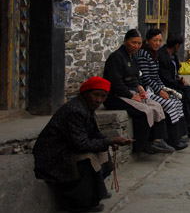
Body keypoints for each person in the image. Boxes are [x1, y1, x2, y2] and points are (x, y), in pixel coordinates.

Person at [33, 76, 132, 213]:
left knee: (103, 153)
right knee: (87, 160)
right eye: (95, 95)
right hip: (53, 155)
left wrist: (108, 141)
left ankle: (95, 191)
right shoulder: (75, 110)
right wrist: (109, 141)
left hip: (67, 147)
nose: (99, 100)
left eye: (103, 96)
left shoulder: (86, 108)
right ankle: (80, 204)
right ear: (86, 93)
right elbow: (81, 144)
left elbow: (93, 133)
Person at [103, 29, 174, 154]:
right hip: (116, 96)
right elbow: (116, 83)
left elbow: (137, 76)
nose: (136, 46)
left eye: (139, 43)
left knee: (156, 106)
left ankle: (158, 139)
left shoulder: (133, 57)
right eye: (133, 43)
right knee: (145, 111)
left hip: (133, 92)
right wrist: (131, 95)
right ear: (125, 41)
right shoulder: (116, 58)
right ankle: (142, 145)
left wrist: (140, 87)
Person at [137, 28, 188, 150]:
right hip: (146, 91)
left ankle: (179, 135)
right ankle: (171, 139)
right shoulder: (144, 54)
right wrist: (159, 91)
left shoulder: (154, 55)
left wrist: (163, 89)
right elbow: (145, 78)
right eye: (155, 40)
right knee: (169, 104)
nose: (158, 43)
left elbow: (156, 76)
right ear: (147, 41)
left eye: (160, 40)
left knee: (176, 101)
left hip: (155, 88)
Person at [157, 33, 190, 138]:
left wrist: (180, 79)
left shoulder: (173, 55)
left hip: (175, 82)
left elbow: (175, 73)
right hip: (166, 85)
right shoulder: (162, 56)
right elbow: (165, 77)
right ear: (177, 45)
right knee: (184, 96)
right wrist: (179, 83)